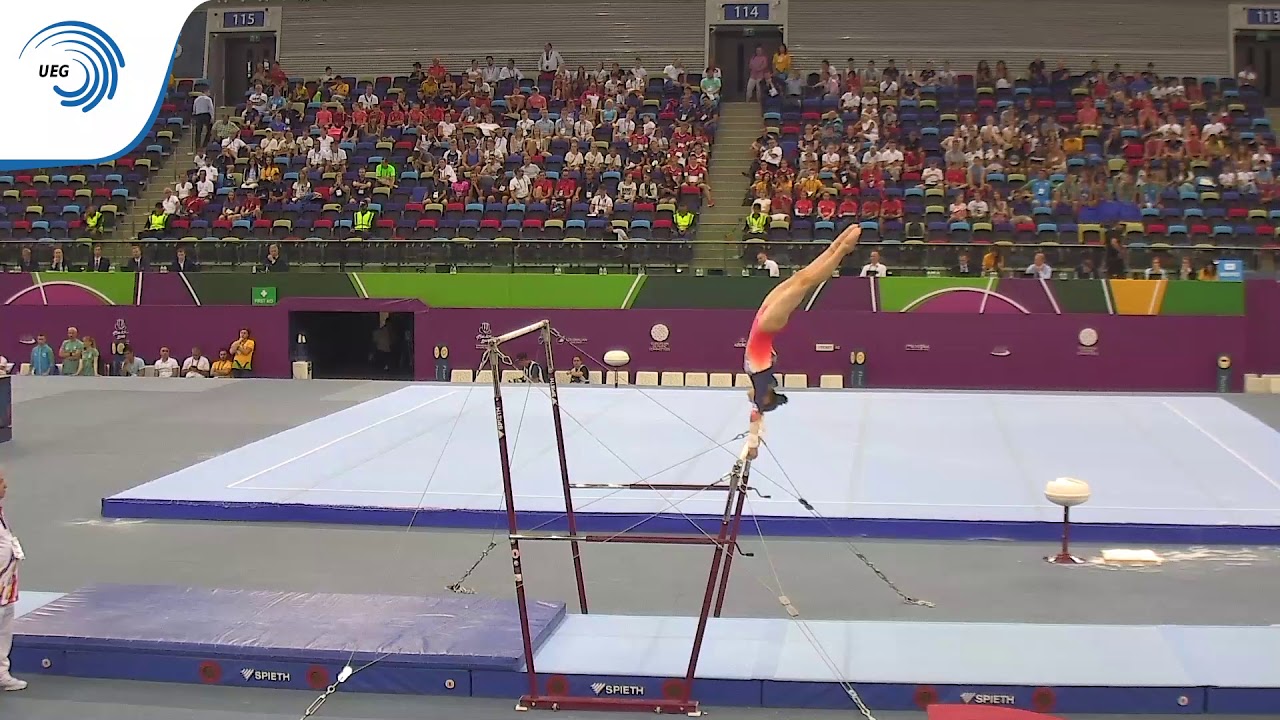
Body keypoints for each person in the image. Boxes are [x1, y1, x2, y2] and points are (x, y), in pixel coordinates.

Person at [742, 224, 861, 455]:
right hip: (767, 325)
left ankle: (835, 245)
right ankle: (842, 250)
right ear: (766, 397)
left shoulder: (760, 382)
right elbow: (756, 416)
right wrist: (753, 445)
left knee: (800, 277)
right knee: (805, 284)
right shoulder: (760, 389)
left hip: (763, 313)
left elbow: (757, 406)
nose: (749, 398)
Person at [0, 468, 28, 691]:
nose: (6, 484)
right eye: (1, 481)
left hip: (7, 581)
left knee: (5, 625)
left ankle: (1, 672)